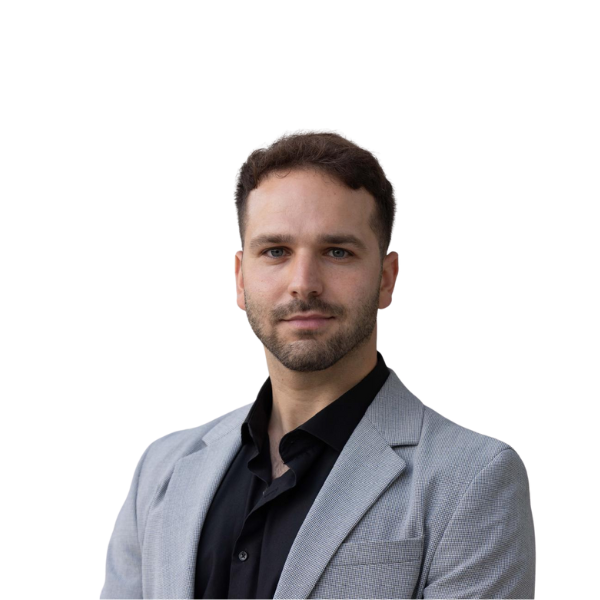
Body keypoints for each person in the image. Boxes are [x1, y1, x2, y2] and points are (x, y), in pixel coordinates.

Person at [100, 129, 536, 599]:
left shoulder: (474, 478)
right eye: (276, 251)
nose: (304, 283)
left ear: (387, 279)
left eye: (337, 252)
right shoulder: (160, 467)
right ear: (240, 278)